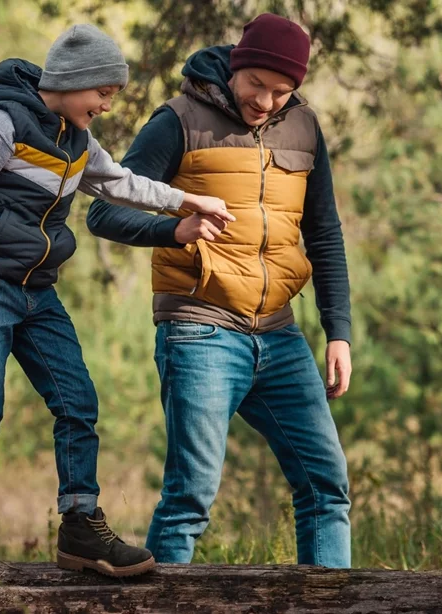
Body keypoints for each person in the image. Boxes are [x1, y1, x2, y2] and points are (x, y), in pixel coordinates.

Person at [0, 23, 233, 576]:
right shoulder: (2, 126)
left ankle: (79, 526)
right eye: (104, 93)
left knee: (77, 403)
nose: (108, 105)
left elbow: (123, 183)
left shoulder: (76, 141)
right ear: (74, 81)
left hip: (38, 295)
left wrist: (189, 200)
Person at [87, 13, 353, 568]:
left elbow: (324, 231)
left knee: (327, 488)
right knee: (190, 499)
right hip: (199, 330)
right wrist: (173, 226)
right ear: (237, 64)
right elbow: (104, 213)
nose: (266, 101)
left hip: (280, 336)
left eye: (282, 92)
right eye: (257, 83)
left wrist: (339, 332)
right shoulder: (179, 120)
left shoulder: (304, 127)